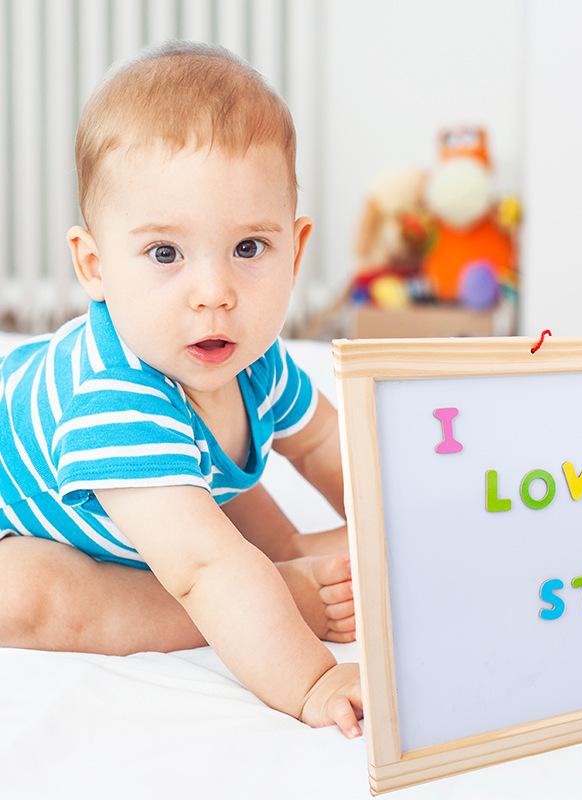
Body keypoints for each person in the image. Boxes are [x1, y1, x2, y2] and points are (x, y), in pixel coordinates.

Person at [0, 40, 363, 739]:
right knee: (32, 597)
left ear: (296, 248)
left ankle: (278, 554)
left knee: (209, 461)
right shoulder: (114, 400)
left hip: (148, 484)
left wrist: (395, 524)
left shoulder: (250, 357)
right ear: (96, 265)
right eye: (165, 254)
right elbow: (203, 568)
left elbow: (324, 443)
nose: (214, 294)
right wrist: (311, 676)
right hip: (17, 515)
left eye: (249, 249)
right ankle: (279, 581)